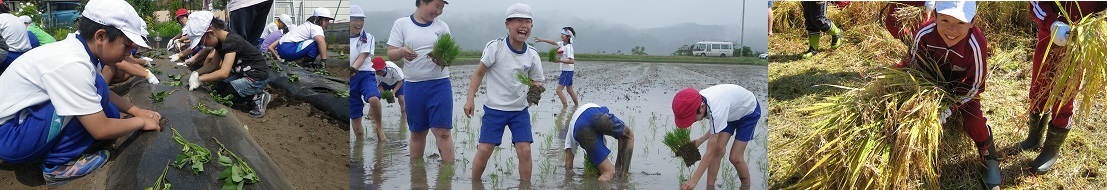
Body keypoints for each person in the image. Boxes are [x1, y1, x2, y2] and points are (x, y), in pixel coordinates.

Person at [0, 0, 162, 187]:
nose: (128, 54)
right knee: (100, 102)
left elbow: (99, 94)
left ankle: (64, 146)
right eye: (126, 46)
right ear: (101, 36)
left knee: (108, 108)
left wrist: (135, 110)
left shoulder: (81, 49)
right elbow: (101, 129)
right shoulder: (72, 63)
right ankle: (57, 167)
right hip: (10, 136)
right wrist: (142, 122)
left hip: (21, 124)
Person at [898, 1, 998, 188]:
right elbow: (912, 64)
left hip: (962, 89)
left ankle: (989, 158)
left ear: (972, 21)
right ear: (934, 16)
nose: (952, 29)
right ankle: (922, 158)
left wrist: (951, 106)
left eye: (960, 23)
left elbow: (975, 86)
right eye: (944, 20)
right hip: (930, 84)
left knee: (974, 121)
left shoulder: (976, 44)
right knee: (907, 114)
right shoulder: (924, 34)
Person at [1020, 1, 1107, 175]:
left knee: (1065, 96)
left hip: (1079, 45)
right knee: (1039, 88)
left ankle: (1052, 148)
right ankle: (1034, 137)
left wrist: (1094, 23)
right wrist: (1052, 23)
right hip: (1049, 38)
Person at [464, 3, 545, 181]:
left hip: (519, 111)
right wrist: (470, 99)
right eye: (518, 20)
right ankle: (474, 183)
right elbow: (478, 73)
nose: (523, 25)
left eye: (527, 21)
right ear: (507, 24)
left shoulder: (532, 54)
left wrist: (535, 88)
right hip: (495, 110)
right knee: (484, 149)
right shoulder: (496, 47)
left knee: (524, 150)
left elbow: (537, 80)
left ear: (531, 26)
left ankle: (525, 186)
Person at [386, 0, 455, 163]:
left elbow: (449, 55)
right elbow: (390, 53)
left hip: (440, 84)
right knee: (417, 132)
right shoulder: (402, 24)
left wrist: (443, 59)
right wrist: (402, 51)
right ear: (422, 2)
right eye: (437, 6)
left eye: (442, 8)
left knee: (443, 132)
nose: (439, 11)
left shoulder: (442, 27)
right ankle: (417, 177)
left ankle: (448, 176)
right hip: (414, 86)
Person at [185, 11, 273, 118]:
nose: (203, 45)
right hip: (244, 75)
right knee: (217, 90)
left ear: (210, 32)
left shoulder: (231, 42)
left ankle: (258, 96)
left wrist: (200, 79)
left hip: (256, 77)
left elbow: (224, 73)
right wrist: (196, 73)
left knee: (226, 95)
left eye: (202, 42)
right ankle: (249, 95)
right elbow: (213, 64)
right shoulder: (219, 43)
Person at [671, 84, 760, 190]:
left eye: (693, 119)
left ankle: (746, 186)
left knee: (735, 157)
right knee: (718, 149)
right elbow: (716, 126)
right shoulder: (698, 101)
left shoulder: (716, 109)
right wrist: (699, 141)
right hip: (729, 113)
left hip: (748, 112)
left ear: (702, 107)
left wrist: (693, 181)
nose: (693, 122)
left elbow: (709, 152)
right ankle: (710, 187)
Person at [563, 103, 634, 181]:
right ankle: (624, 178)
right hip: (595, 112)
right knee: (628, 135)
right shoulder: (573, 126)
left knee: (608, 172)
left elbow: (568, 164)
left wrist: (568, 181)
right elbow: (622, 137)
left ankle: (618, 172)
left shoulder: (570, 133)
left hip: (580, 125)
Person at [348, 5, 386, 141]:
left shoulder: (367, 37)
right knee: (356, 121)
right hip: (349, 79)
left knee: (374, 98)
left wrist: (352, 70)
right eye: (355, 20)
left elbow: (362, 56)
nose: (359, 23)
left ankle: (379, 127)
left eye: (361, 20)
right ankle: (359, 148)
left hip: (364, 74)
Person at [534, 27, 579, 108]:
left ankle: (565, 108)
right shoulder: (562, 43)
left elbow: (572, 61)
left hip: (567, 71)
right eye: (561, 34)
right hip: (567, 71)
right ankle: (576, 106)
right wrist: (542, 40)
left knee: (558, 90)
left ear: (568, 37)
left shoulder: (569, 47)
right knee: (569, 90)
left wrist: (559, 61)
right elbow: (554, 42)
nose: (561, 35)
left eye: (563, 34)